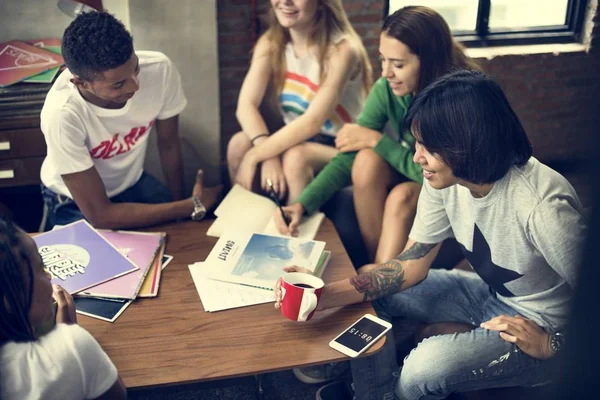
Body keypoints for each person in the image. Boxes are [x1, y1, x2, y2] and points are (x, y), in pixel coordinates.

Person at [275, 70, 587, 400]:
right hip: (492, 297)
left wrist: (552, 344)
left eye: (427, 147)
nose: (415, 157)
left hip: (544, 328)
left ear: (464, 145)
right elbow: (409, 266)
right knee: (369, 283)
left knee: (424, 367)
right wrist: (321, 295)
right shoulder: (445, 180)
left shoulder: (543, 208)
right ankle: (375, 393)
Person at [274, 6, 479, 265]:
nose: (385, 73)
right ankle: (376, 266)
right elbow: (348, 154)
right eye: (383, 59)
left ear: (429, 61)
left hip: (447, 186)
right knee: (365, 160)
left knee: (399, 196)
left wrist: (377, 141)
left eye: (398, 64)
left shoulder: (456, 101)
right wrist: (302, 205)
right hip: (412, 168)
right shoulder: (387, 89)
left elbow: (448, 176)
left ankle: (380, 274)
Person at [40, 11, 221, 231]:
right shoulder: (62, 114)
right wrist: (188, 206)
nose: (135, 85)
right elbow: (101, 216)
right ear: (81, 83)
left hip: (132, 182)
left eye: (135, 68)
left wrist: (181, 208)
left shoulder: (160, 69)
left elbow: (168, 143)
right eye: (118, 84)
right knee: (107, 263)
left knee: (181, 239)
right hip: (73, 200)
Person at [227, 0, 372, 203]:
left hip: (342, 147)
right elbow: (245, 106)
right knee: (238, 144)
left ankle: (291, 231)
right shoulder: (270, 43)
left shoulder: (343, 49)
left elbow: (313, 121)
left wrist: (255, 155)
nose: (285, 2)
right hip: (297, 138)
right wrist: (266, 154)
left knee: (296, 157)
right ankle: (246, 225)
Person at [0, 216, 126, 400]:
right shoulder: (71, 347)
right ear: (9, 302)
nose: (49, 276)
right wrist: (64, 336)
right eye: (41, 268)